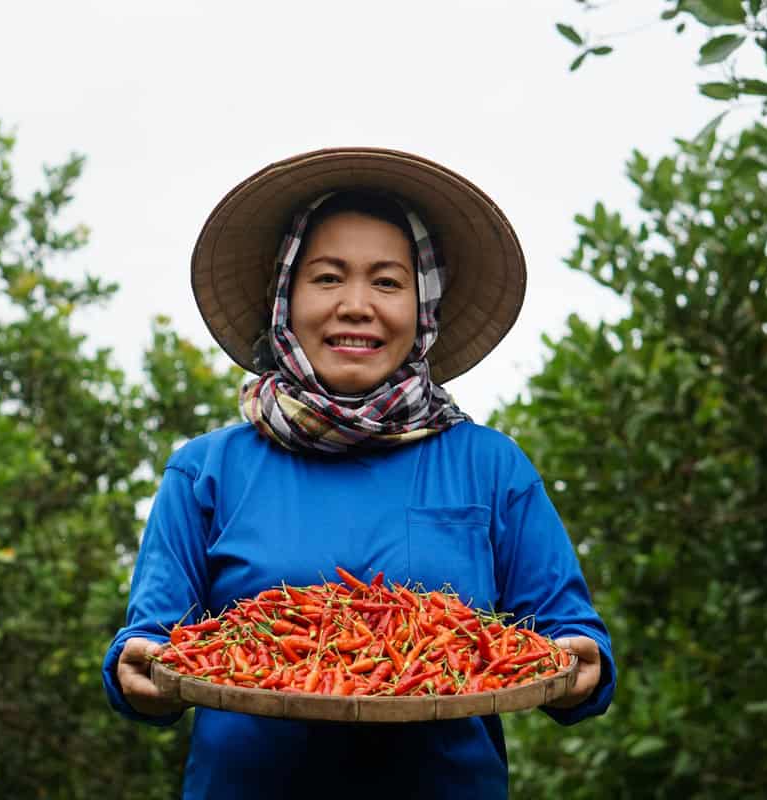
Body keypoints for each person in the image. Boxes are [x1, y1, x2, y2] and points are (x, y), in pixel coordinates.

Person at [102, 148, 616, 799]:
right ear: (284, 299)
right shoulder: (207, 470)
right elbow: (150, 643)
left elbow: (570, 640)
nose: (355, 304)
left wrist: (581, 665)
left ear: (424, 305)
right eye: (326, 278)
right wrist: (138, 673)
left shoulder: (489, 466)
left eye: (387, 281)